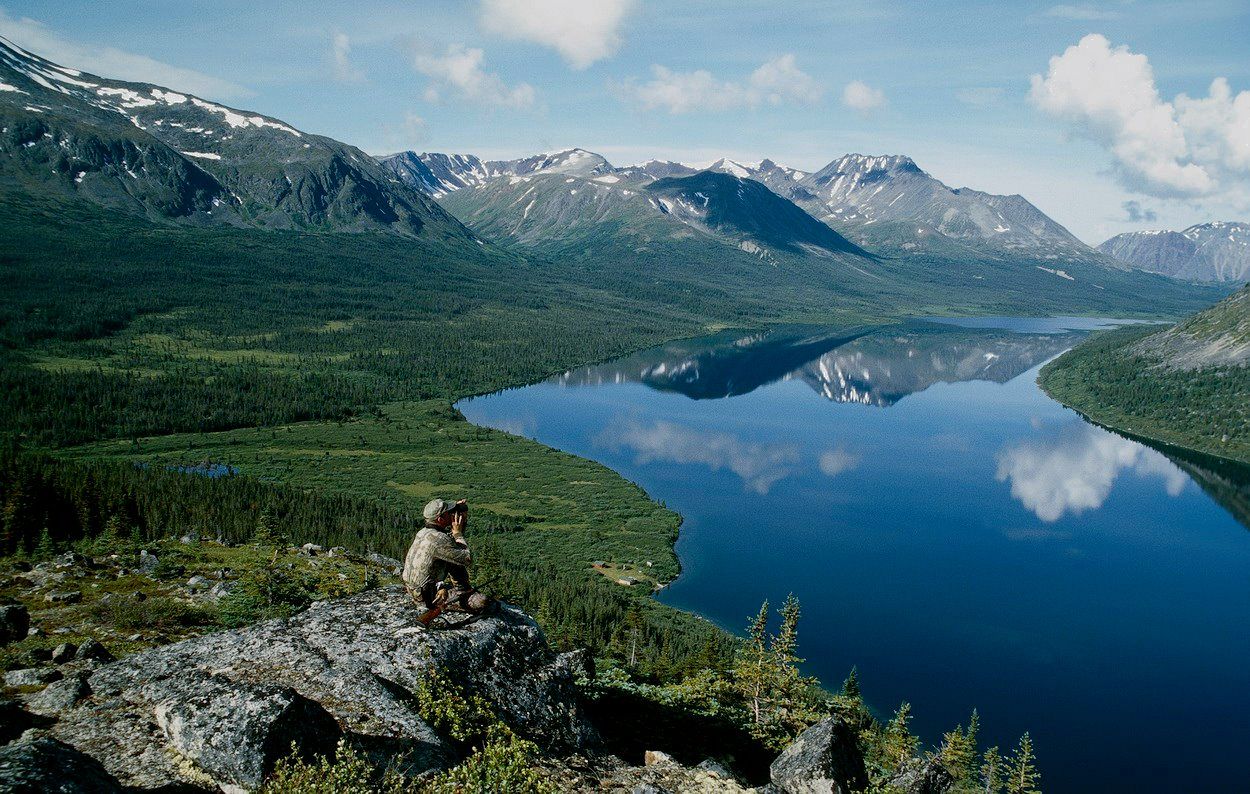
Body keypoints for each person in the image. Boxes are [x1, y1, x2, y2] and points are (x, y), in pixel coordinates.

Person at [402, 497, 490, 616]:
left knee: (452, 558)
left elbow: (452, 549)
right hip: (428, 596)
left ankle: (463, 591)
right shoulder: (439, 539)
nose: (452, 514)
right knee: (483, 602)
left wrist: (458, 511)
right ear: (440, 519)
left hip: (415, 589)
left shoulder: (423, 532)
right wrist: (458, 534)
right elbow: (467, 558)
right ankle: (459, 596)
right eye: (449, 513)